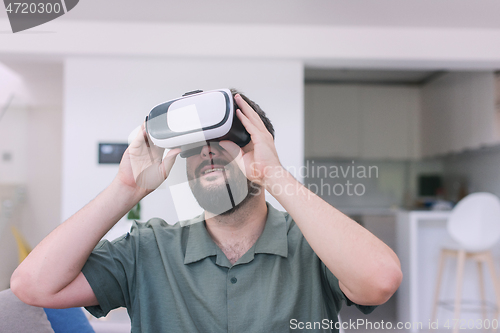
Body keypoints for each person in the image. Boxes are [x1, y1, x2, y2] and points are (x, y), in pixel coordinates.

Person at [11, 90, 402, 332]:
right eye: (196, 147)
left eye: (223, 141)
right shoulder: (148, 249)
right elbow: (32, 286)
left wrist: (275, 175)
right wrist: (125, 190)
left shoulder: (311, 245)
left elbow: (381, 279)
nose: (207, 153)